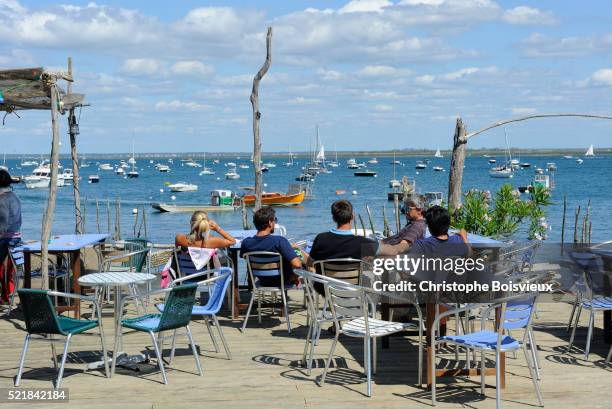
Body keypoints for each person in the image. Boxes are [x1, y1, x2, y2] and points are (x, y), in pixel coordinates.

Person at [240, 207, 301, 287]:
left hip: (262, 281)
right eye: (274, 220)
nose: (275, 223)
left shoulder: (246, 243)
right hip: (283, 281)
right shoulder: (280, 241)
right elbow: (297, 264)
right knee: (301, 261)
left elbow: (245, 258)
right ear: (270, 222)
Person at [0, 170, 21, 303]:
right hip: (16, 237)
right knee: (8, 268)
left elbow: (3, 221)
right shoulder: (14, 196)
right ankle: (7, 293)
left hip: (5, 238)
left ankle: (5, 294)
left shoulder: (2, 199)